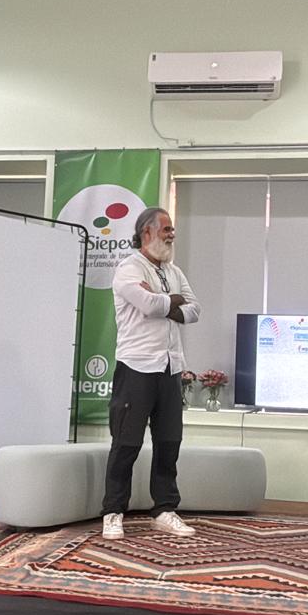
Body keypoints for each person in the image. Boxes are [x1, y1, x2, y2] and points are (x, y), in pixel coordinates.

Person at [101, 207, 201, 540]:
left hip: (170, 367)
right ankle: (113, 511)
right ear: (146, 232)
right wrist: (171, 302)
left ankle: (165, 510)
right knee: (126, 443)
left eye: (172, 229)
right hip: (136, 366)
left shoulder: (175, 271)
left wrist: (164, 299)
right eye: (166, 229)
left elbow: (194, 311)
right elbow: (148, 305)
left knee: (169, 441)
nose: (172, 234)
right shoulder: (128, 269)